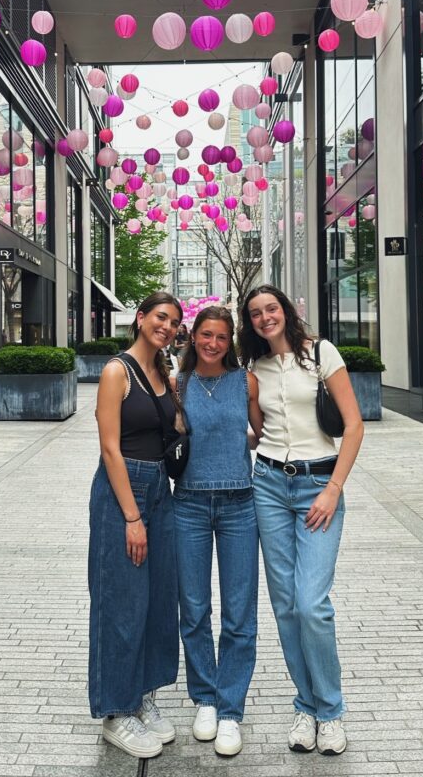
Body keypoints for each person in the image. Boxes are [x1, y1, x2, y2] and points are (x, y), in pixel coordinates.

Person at [239, 285, 364, 757]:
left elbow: (353, 425)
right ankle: (305, 706)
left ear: (285, 311)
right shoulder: (256, 369)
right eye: (255, 314)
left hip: (318, 486)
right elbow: (257, 434)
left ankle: (331, 711)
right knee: (287, 604)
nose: (265, 318)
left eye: (271, 309)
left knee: (312, 603)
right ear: (249, 323)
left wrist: (333, 489)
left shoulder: (321, 354)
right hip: (268, 485)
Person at [88, 291, 183, 759]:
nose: (166, 326)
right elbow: (109, 448)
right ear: (140, 318)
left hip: (159, 488)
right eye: (159, 317)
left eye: (173, 322)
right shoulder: (115, 371)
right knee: (120, 601)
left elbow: (177, 429)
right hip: (122, 490)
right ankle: (115, 712)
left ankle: (141, 695)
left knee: (156, 600)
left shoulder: (163, 373)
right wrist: (132, 517)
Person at [172, 307, 263, 757]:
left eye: (222, 337)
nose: (213, 343)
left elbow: (264, 435)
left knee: (240, 614)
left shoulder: (247, 382)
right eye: (206, 335)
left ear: (232, 341)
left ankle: (231, 710)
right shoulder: (179, 384)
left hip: (240, 505)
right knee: (192, 609)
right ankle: (204, 698)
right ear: (194, 337)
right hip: (186, 504)